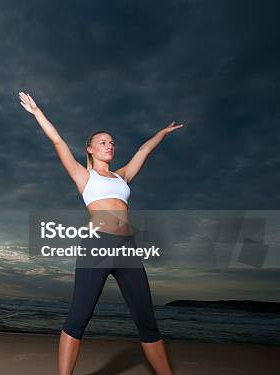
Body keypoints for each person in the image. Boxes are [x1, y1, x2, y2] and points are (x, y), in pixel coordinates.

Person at [19, 92, 182, 375]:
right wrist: (37, 113)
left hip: (127, 249)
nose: (110, 145)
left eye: (112, 142)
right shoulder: (84, 176)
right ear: (91, 149)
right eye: (103, 142)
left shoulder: (123, 176)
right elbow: (57, 141)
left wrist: (162, 133)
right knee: (79, 318)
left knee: (147, 321)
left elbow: (143, 151)